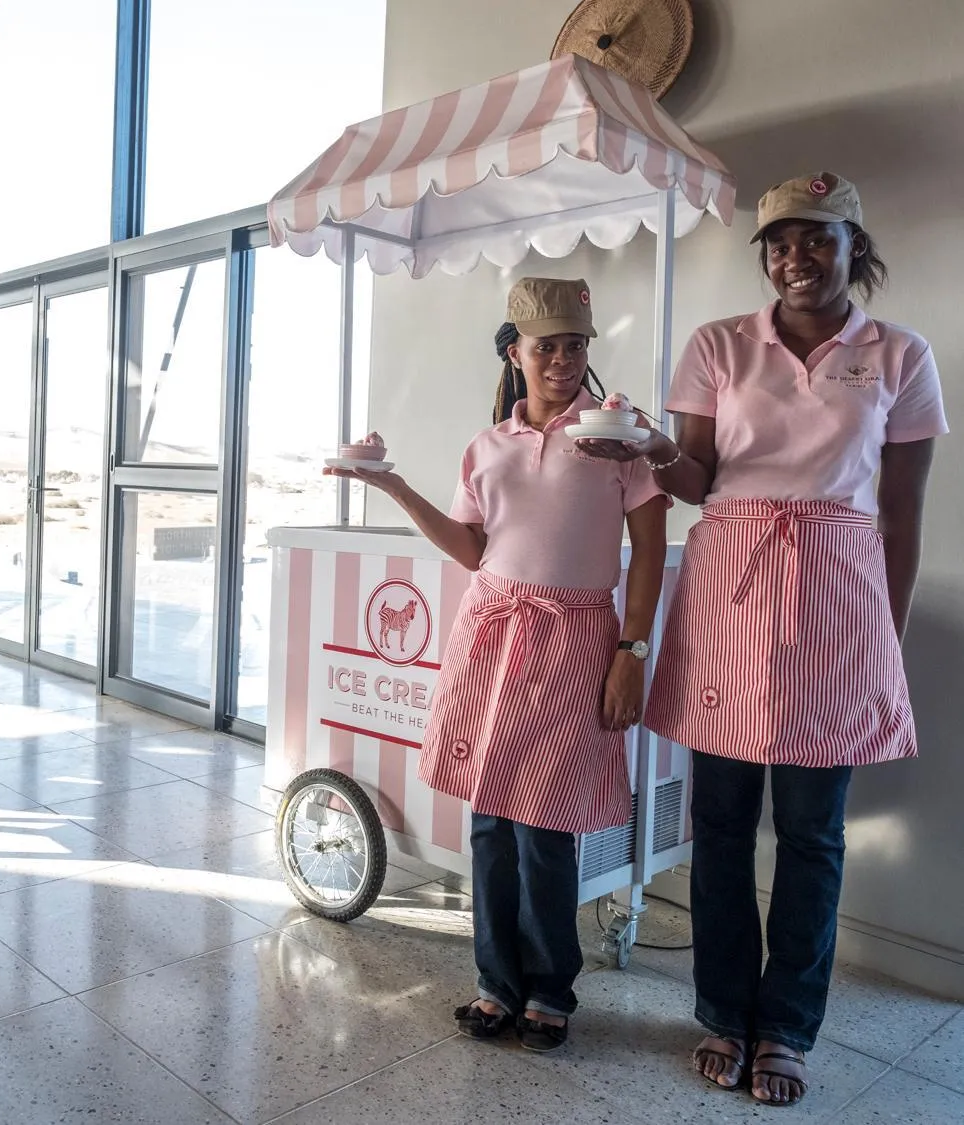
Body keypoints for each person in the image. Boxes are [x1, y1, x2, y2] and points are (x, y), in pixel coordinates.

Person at [576, 173, 947, 1105]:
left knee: (814, 831)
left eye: (815, 238)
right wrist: (653, 449)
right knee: (723, 820)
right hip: (731, 588)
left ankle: (786, 1025)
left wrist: (885, 638)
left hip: (838, 594)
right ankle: (724, 1011)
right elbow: (698, 478)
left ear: (854, 245)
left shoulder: (900, 355)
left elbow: (903, 514)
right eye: (778, 244)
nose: (794, 258)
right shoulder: (719, 344)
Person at [328, 277, 668, 1053]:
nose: (561, 360)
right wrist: (392, 486)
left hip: (575, 638)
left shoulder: (619, 438)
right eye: (546, 346)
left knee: (545, 824)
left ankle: (549, 989)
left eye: (575, 345)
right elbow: (473, 548)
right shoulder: (488, 445)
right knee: (488, 819)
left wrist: (632, 651)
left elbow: (648, 550)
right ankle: (496, 983)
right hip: (491, 635)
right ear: (515, 352)